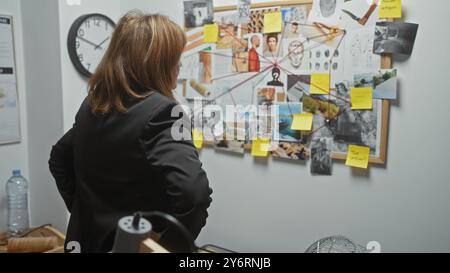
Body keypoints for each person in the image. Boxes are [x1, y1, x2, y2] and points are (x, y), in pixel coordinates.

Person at [49, 12, 213, 253]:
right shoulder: (164, 112)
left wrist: (84, 212)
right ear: (159, 63)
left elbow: (59, 159)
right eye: (175, 58)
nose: (179, 66)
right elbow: (194, 196)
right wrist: (165, 248)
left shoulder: (94, 104)